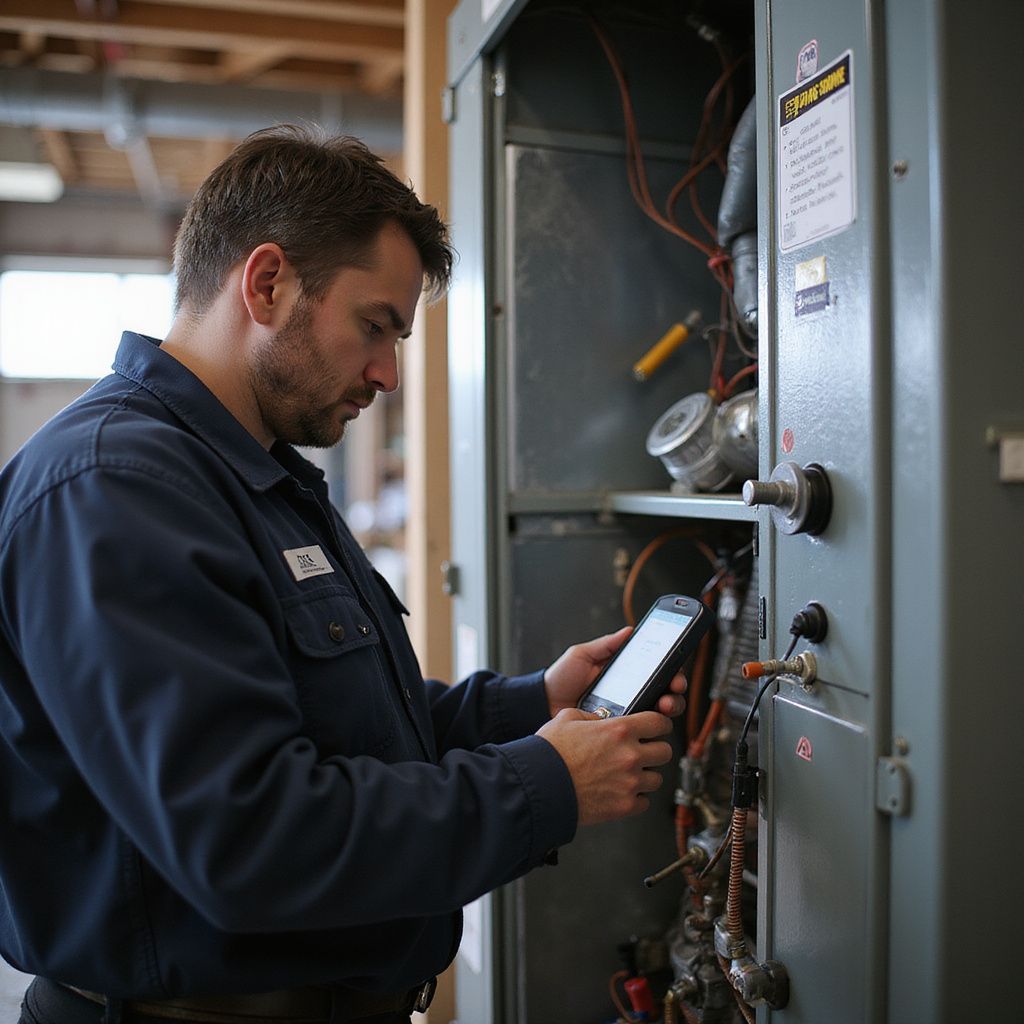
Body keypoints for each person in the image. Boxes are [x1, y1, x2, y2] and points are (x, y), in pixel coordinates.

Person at [0, 125, 685, 1024]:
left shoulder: (257, 475)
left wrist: (531, 703)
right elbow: (250, 838)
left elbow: (335, 725)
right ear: (268, 282)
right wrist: (543, 783)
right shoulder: (119, 488)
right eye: (376, 326)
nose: (388, 374)